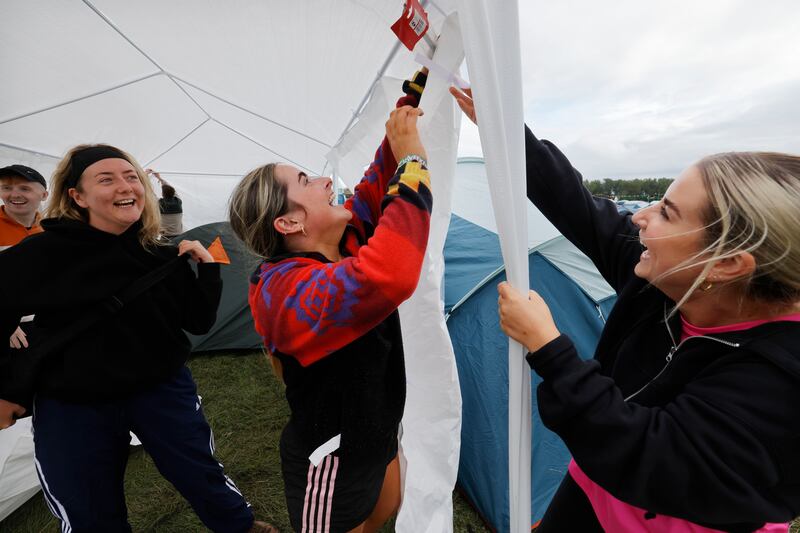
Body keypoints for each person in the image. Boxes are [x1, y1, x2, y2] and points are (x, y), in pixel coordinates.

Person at [451, 86, 800, 531]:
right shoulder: (665, 282)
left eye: (668, 214)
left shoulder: (782, 378)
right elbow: (578, 207)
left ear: (727, 263)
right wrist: (509, 136)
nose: (640, 216)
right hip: (593, 489)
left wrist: (549, 349)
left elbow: (646, 455)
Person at [0, 145, 277, 533]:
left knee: (199, 471)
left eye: (132, 177)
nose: (125, 186)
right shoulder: (43, 253)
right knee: (87, 505)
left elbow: (197, 322)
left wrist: (210, 271)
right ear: (77, 196)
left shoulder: (158, 253)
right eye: (106, 179)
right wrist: (8, 387)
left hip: (160, 390)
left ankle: (239, 526)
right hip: (72, 403)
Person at [228, 70, 430, 533]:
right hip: (330, 458)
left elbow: (376, 178)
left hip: (376, 431)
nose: (324, 180)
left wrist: (412, 99)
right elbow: (391, 273)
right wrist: (413, 161)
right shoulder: (281, 292)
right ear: (289, 224)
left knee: (386, 507)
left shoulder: (343, 240)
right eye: (305, 180)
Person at [0, 164, 49, 349]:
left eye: (24, 188)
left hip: (44, 323)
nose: (14, 194)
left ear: (44, 195)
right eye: (6, 187)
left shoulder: (50, 229)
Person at [147, 168, 184, 237]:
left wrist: (145, 176)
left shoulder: (159, 204)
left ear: (162, 194)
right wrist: (159, 178)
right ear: (173, 193)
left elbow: (149, 192)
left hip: (166, 237)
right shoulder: (178, 201)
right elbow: (170, 188)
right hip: (179, 235)